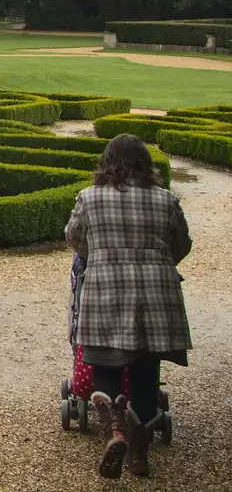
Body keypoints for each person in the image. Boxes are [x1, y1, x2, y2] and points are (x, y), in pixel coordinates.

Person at [65, 133, 192, 480]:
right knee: (145, 373)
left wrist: (103, 258)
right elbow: (182, 244)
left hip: (106, 291)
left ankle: (115, 431)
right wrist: (157, 264)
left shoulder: (89, 198)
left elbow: (74, 239)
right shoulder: (166, 200)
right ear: (145, 164)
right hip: (157, 296)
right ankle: (139, 456)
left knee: (104, 364)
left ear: (107, 162)